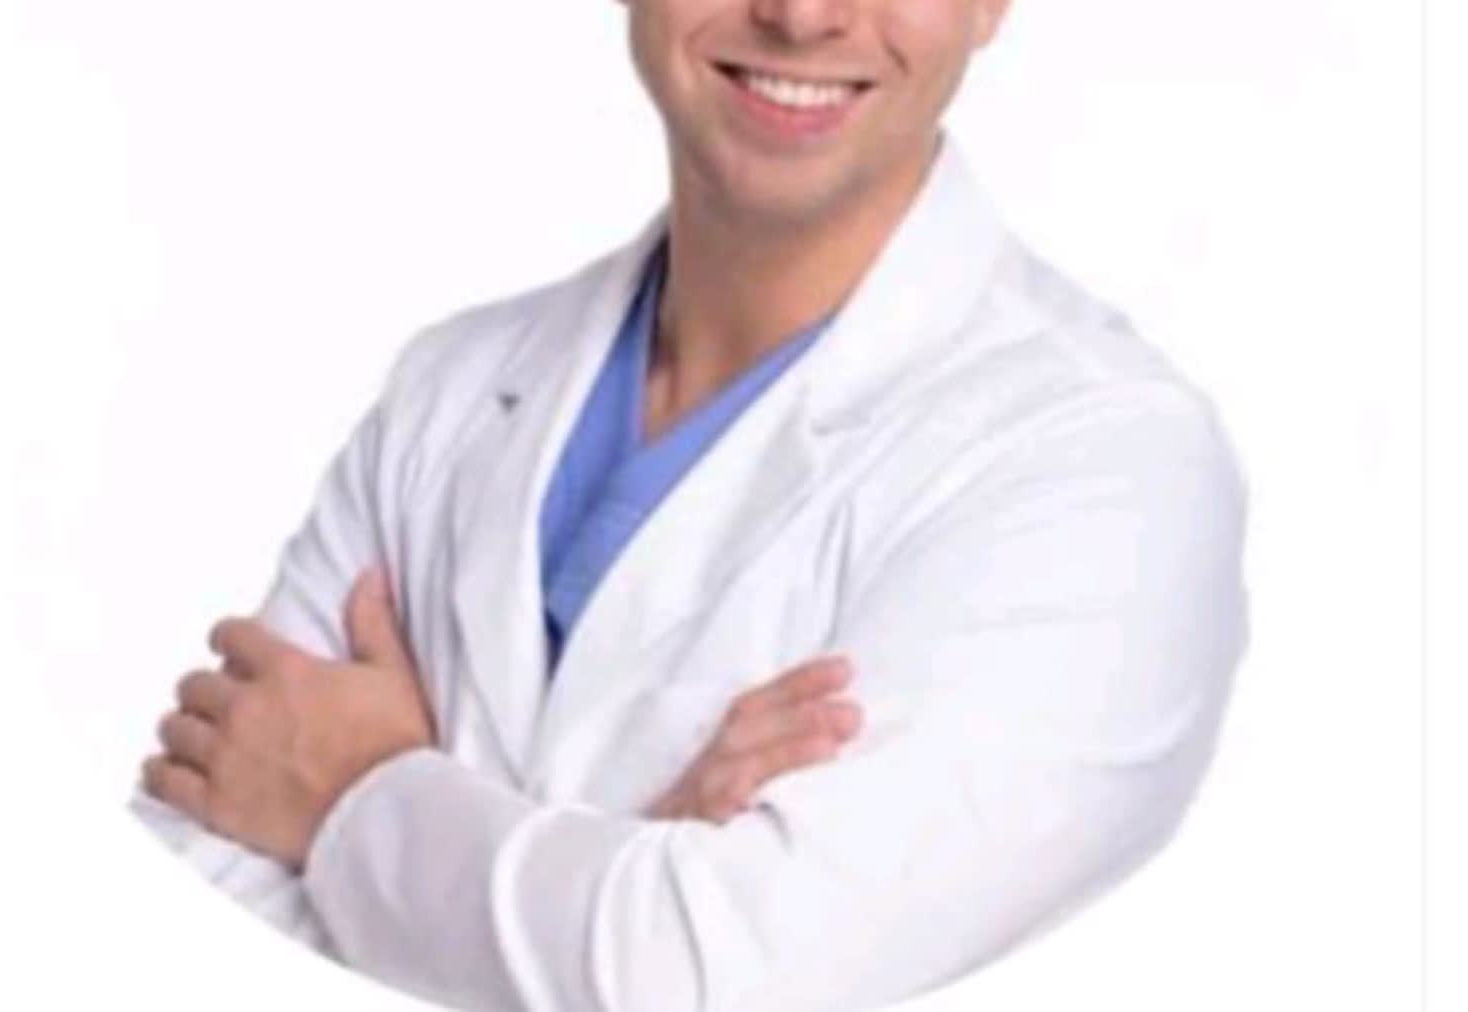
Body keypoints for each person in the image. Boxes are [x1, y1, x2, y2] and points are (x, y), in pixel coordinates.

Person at [130, 1, 1250, 1009]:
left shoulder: (1106, 463)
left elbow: (703, 975)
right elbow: (183, 884)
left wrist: (353, 794)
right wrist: (621, 867)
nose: (801, 16)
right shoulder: (453, 388)